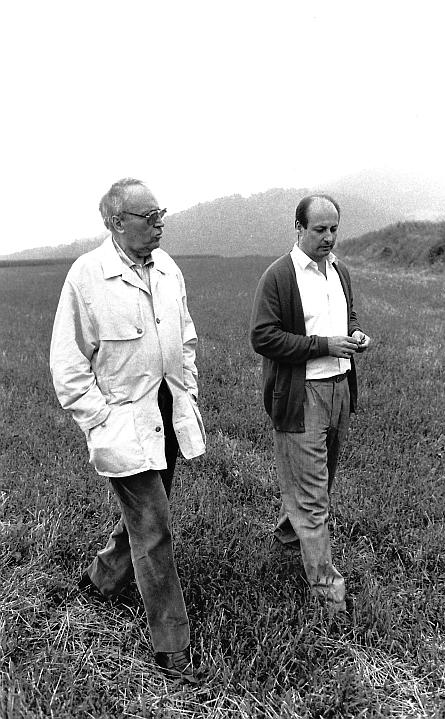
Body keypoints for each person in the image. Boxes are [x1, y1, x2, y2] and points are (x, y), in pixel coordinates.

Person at [50, 178, 205, 681]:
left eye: (161, 213)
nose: (160, 223)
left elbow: (184, 337)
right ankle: (172, 642)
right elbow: (68, 366)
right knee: (155, 526)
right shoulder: (87, 276)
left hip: (167, 413)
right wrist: (102, 419)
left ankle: (102, 577)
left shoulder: (168, 269)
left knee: (145, 517)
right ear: (117, 223)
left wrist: (189, 389)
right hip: (123, 419)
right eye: (148, 216)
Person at [250, 193, 371, 610]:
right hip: (302, 397)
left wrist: (355, 336)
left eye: (334, 228)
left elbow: (347, 318)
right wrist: (323, 345)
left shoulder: (340, 272)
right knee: (315, 496)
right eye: (320, 229)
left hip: (339, 390)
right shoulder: (280, 276)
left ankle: (288, 533)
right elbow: (263, 337)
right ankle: (327, 593)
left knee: (320, 482)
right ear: (298, 228)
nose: (329, 237)